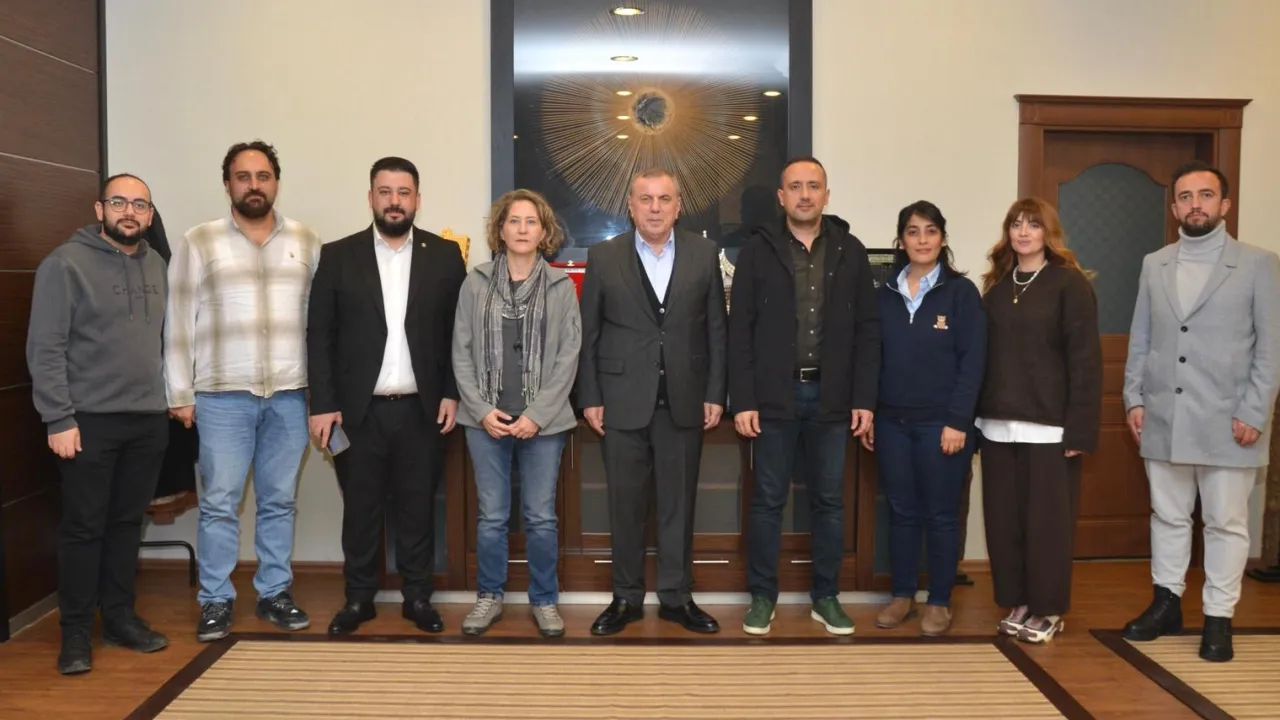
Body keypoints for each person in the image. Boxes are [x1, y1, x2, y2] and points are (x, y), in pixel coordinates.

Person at [1121, 161, 1280, 662]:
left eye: (1206, 195)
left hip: (1230, 422)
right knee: (1167, 516)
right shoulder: (1155, 263)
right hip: (1164, 416)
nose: (1196, 204)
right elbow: (1142, 338)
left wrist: (1255, 411)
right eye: (1186, 197)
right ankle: (1166, 604)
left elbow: (1271, 350)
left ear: (1224, 204)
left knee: (1225, 523)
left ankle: (1218, 618)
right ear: (1174, 209)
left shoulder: (1258, 264)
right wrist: (1134, 398)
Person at [165, 140, 322, 642]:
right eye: (243, 176)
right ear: (228, 184)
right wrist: (179, 392)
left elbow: (320, 324)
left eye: (262, 176)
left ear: (276, 182)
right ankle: (215, 600)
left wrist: (322, 393)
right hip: (221, 396)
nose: (254, 185)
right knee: (219, 504)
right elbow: (178, 321)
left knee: (279, 501)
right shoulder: (199, 241)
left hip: (290, 395)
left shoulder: (307, 241)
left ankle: (274, 592)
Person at [307, 157, 466, 636]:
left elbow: (458, 334)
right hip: (357, 414)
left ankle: (418, 597)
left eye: (403, 192)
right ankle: (359, 599)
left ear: (417, 199)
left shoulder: (444, 256)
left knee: (418, 508)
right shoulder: (338, 255)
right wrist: (322, 404)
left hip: (422, 409)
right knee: (361, 510)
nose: (394, 201)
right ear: (371, 198)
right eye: (385, 192)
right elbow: (320, 335)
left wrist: (452, 393)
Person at [727, 156, 880, 636]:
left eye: (814, 186)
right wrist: (743, 399)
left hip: (832, 397)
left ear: (826, 195)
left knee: (829, 502)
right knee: (767, 501)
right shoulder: (757, 250)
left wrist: (864, 398)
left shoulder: (850, 250)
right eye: (795, 186)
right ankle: (762, 597)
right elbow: (739, 331)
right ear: (781, 196)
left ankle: (826, 597)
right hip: (774, 397)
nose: (805, 195)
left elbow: (868, 330)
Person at [27, 174, 170, 674]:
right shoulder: (64, 264)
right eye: (119, 202)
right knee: (84, 529)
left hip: (147, 420)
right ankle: (75, 632)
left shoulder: (156, 263)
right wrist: (58, 417)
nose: (129, 212)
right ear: (100, 209)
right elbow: (45, 347)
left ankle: (119, 618)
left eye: (139, 205)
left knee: (126, 525)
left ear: (149, 215)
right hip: (87, 422)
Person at [578, 168, 728, 636]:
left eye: (665, 199)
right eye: (646, 199)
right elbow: (589, 333)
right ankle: (625, 598)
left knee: (677, 507)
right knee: (625, 506)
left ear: (679, 206)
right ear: (631, 206)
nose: (656, 207)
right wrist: (590, 396)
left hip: (685, 399)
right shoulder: (604, 256)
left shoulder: (703, 253)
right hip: (620, 402)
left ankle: (676, 597)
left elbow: (716, 330)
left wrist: (715, 392)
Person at [452, 189, 581, 637]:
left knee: (541, 518)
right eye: (514, 221)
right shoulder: (475, 283)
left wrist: (537, 415)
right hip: (484, 421)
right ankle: (489, 597)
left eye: (531, 222)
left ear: (544, 232)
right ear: (500, 230)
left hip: (543, 424)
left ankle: (544, 600)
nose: (523, 229)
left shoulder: (561, 287)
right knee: (491, 517)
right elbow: (461, 352)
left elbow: (568, 357)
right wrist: (481, 409)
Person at [975, 197, 1102, 644]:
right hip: (996, 426)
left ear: (1049, 232)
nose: (1024, 232)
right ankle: (1019, 602)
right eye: (1016, 224)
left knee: (1046, 527)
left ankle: (1047, 609)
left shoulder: (1070, 285)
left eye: (1033, 224)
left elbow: (1086, 362)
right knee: (1004, 524)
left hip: (1050, 429)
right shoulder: (996, 287)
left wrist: (1080, 429)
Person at [863, 201, 985, 636]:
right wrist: (871, 413)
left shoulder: (961, 293)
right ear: (901, 240)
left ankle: (938, 600)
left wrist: (958, 421)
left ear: (943, 239)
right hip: (892, 423)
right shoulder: (884, 294)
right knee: (901, 512)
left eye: (930, 231)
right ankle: (902, 596)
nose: (922, 240)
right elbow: (871, 358)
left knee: (941, 515)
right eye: (913, 232)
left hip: (943, 425)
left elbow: (973, 362)